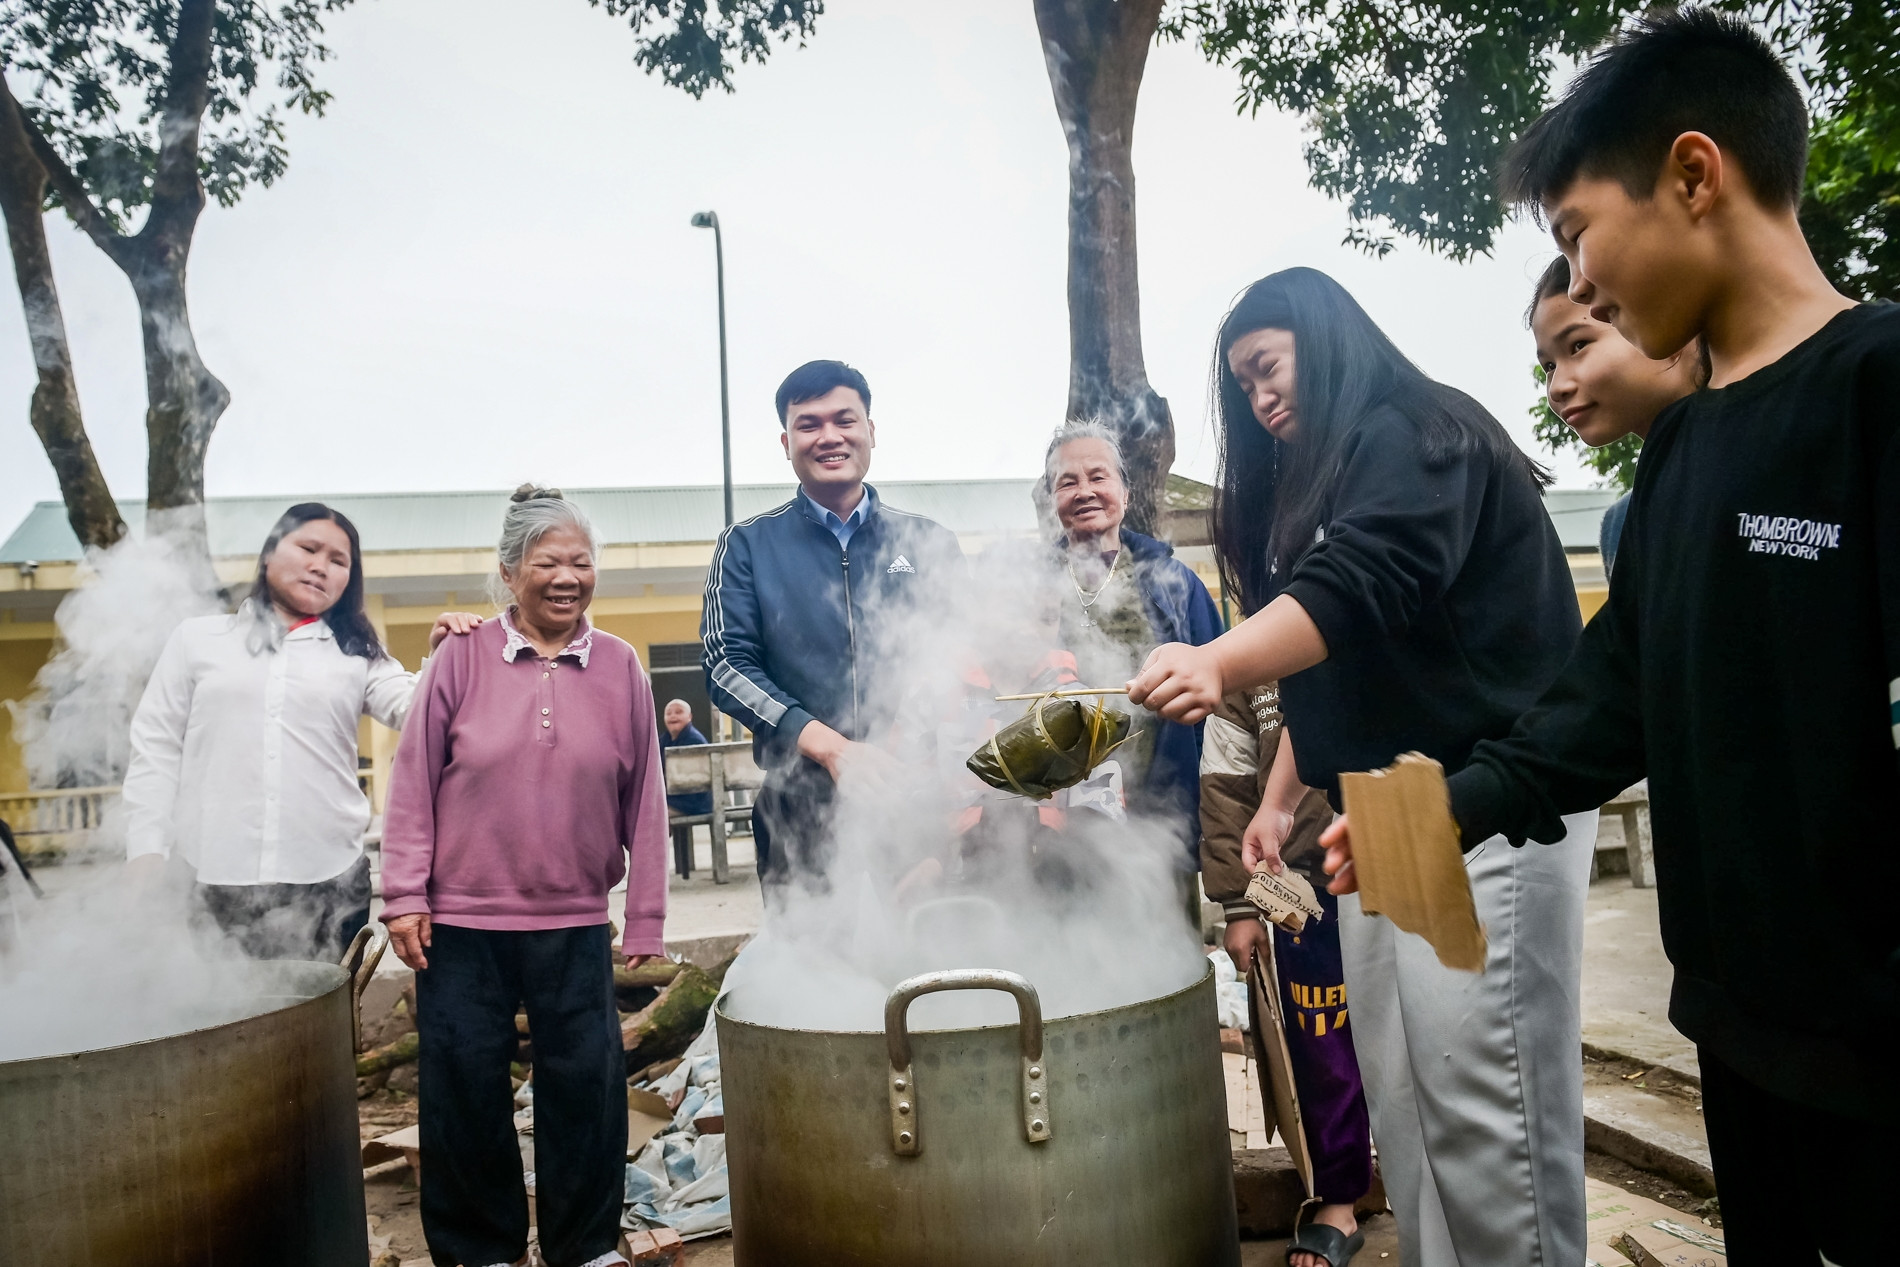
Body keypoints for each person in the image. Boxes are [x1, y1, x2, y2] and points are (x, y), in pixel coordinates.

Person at [1322, 12, 1896, 1264]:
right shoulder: (1684, 446)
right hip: (1737, 1031)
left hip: (1879, 1055)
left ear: (1694, 173)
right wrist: (1439, 809)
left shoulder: (1879, 387)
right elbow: (1610, 701)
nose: (1578, 282)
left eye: (1577, 234)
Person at [1129, 267, 1595, 1267]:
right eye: (1242, 386)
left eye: (1267, 367)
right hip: (1381, 807)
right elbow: (1343, 654)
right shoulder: (1335, 474)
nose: (1258, 399)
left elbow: (1363, 582)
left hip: (1488, 792)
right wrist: (1281, 793)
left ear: (1324, 336)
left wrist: (1214, 658)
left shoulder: (1418, 428)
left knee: (1485, 1092)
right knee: (1406, 1089)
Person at [381, 485, 669, 1267]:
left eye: (581, 561)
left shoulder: (620, 667)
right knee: (463, 1090)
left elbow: (645, 796)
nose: (567, 576)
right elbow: (410, 784)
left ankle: (585, 1246)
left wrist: (645, 915)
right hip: (462, 921)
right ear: (511, 573)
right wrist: (403, 893)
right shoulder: (459, 657)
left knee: (585, 1087)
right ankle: (481, 1249)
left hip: (573, 917)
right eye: (548, 561)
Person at [123, 503, 462, 961]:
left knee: (321, 1025)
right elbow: (156, 747)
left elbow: (413, 709)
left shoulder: (357, 652)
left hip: (331, 879)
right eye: (308, 548)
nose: (321, 566)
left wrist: (446, 656)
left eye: (339, 561)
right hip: (213, 876)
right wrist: (146, 849)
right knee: (219, 1022)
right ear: (269, 554)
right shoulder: (198, 639)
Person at [701, 360, 961, 890]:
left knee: (928, 966)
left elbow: (968, 662)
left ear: (870, 431)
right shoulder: (748, 545)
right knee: (811, 968)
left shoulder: (930, 543)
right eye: (809, 424)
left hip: (918, 809)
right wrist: (831, 747)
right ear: (786, 440)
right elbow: (726, 665)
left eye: (844, 419)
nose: (829, 437)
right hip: (798, 808)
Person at [1200, 682, 1371, 1267]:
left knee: (1416, 1031)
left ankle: (1425, 1172)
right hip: (1301, 885)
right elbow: (1224, 788)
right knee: (1322, 1043)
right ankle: (1341, 1199)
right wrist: (1242, 907)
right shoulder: (1245, 667)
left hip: (1392, 855)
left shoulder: (1372, 604)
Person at [1045, 422, 1221, 864]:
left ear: (1126, 494)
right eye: (1067, 482)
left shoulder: (1175, 585)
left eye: (1098, 476)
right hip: (1051, 837)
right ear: (1053, 502)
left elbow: (1225, 719)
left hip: (1161, 827)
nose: (1084, 491)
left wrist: (1228, 871)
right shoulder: (1024, 590)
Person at [1529, 255, 1701, 575]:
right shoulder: (1620, 526)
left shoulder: (1783, 459)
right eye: (1549, 366)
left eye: (1578, 345)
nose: (1556, 389)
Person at [659, 699, 712, 877]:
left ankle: (654, 869)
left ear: (689, 717)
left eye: (678, 712)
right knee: (647, 812)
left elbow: (696, 785)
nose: (673, 715)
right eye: (669, 713)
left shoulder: (694, 740)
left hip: (693, 801)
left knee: (653, 816)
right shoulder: (663, 740)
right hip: (674, 800)